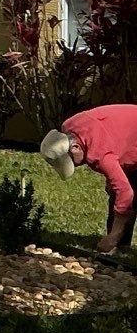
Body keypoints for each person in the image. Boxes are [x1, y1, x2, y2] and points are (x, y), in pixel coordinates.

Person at [42, 104, 137, 253]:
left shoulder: (100, 155)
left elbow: (126, 193)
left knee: (123, 193)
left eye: (71, 162)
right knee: (116, 189)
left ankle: (115, 241)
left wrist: (114, 235)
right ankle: (121, 247)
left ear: (75, 148)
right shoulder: (70, 125)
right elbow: (112, 136)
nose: (75, 166)